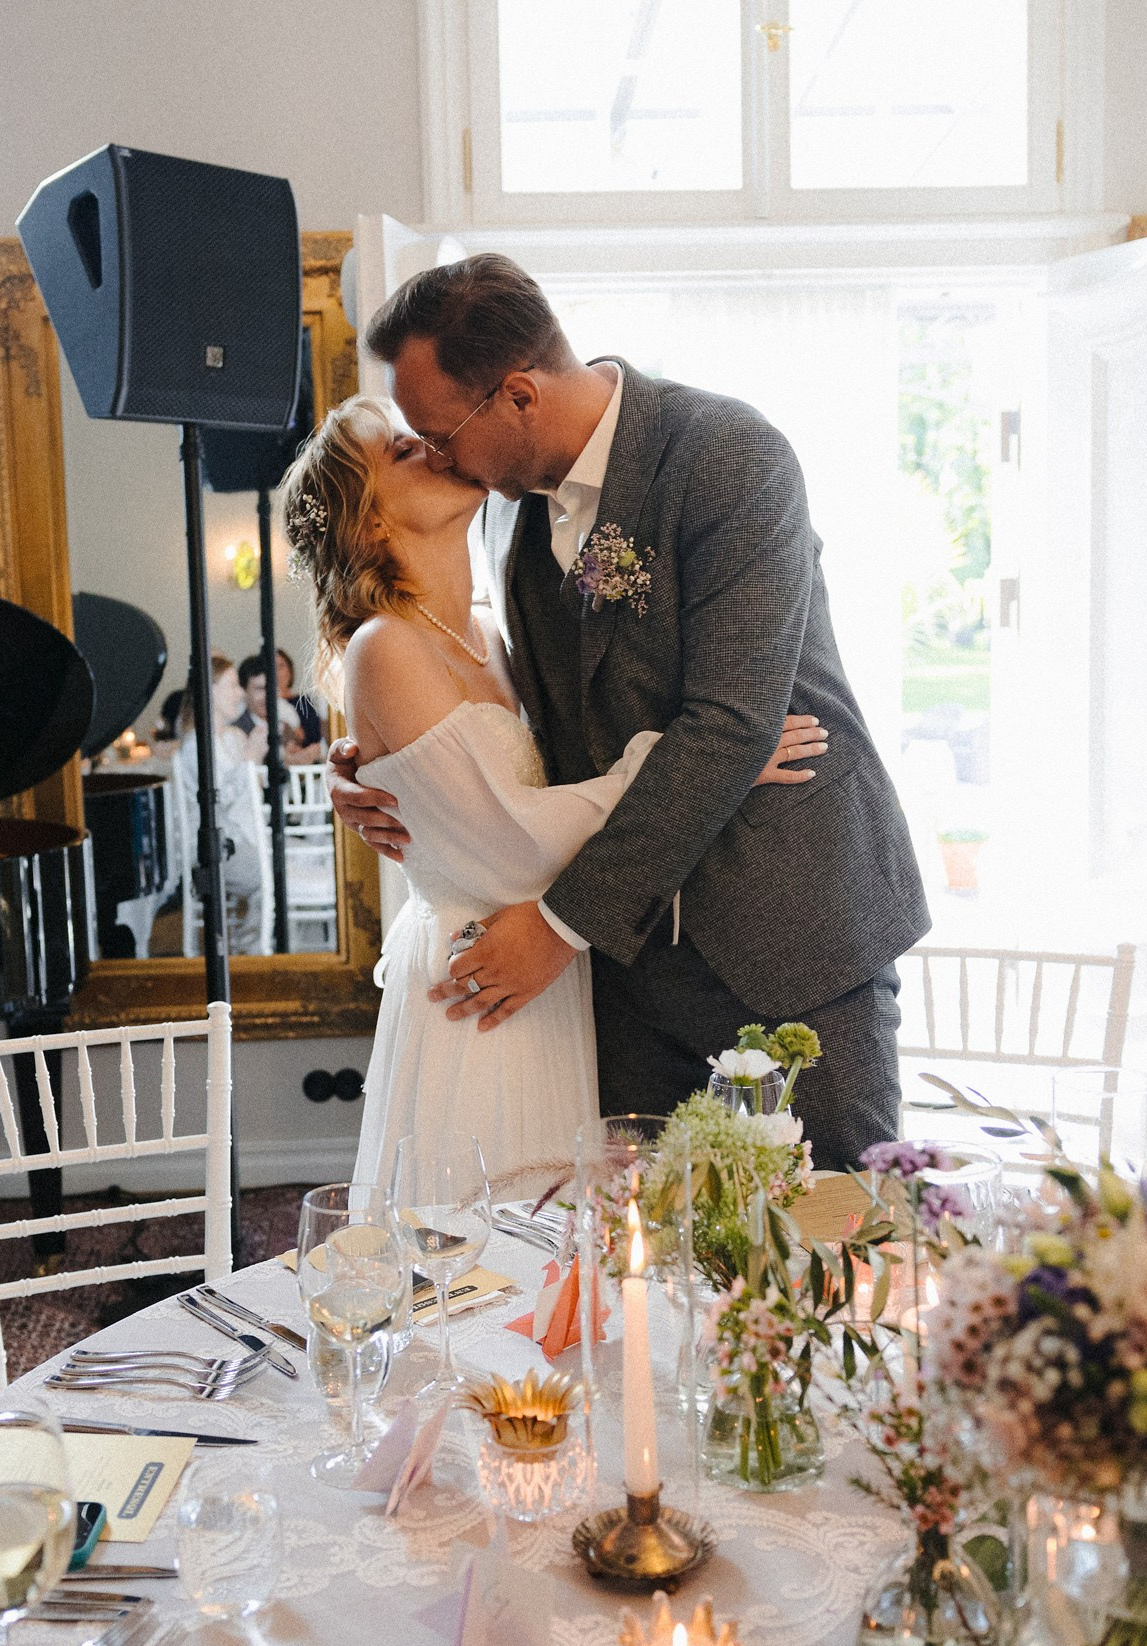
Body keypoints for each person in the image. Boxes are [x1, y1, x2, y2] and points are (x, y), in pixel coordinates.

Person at [329, 255, 927, 1165]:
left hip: (789, 939)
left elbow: (730, 723)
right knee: (642, 1267)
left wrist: (560, 925)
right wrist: (391, 768)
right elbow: (535, 720)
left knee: (825, 1248)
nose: (437, 455)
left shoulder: (728, 456)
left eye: (439, 431)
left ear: (517, 396)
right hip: (630, 976)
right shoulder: (502, 514)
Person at [279, 396, 830, 1187]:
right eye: (400, 451)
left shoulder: (484, 633)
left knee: (559, 1258)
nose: (431, 443)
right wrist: (698, 761)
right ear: (368, 524)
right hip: (480, 988)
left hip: (550, 978)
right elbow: (515, 846)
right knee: (477, 1254)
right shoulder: (383, 647)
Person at [170, 656, 270, 955]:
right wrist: (250, 758)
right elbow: (218, 798)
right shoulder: (196, 745)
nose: (240, 693)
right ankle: (252, 954)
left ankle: (248, 948)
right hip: (214, 851)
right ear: (209, 691)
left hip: (234, 842)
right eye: (232, 685)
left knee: (277, 863)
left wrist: (250, 755)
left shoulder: (226, 739)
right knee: (266, 877)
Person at [235, 654, 323, 765]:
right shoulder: (237, 731)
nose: (267, 696)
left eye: (271, 688)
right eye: (260, 689)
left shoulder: (285, 725)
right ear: (244, 691)